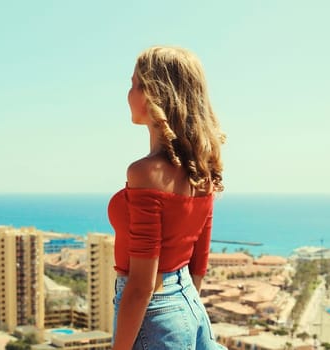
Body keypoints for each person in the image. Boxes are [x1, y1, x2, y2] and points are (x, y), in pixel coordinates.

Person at [108, 46, 226, 350]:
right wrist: (183, 312)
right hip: (189, 305)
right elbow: (199, 260)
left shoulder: (145, 173)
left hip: (154, 316)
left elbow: (141, 286)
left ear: (154, 96)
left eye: (135, 84)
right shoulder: (202, 170)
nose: (129, 94)